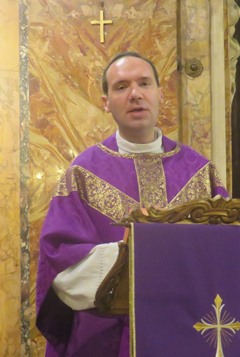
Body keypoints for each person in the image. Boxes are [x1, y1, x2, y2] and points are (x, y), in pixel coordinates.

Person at [36, 52, 228, 357]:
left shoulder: (200, 171)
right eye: (121, 86)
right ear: (105, 102)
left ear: (160, 94)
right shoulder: (82, 174)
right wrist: (130, 254)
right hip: (105, 338)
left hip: (187, 332)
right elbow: (58, 263)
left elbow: (226, 252)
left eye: (144, 83)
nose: (135, 94)